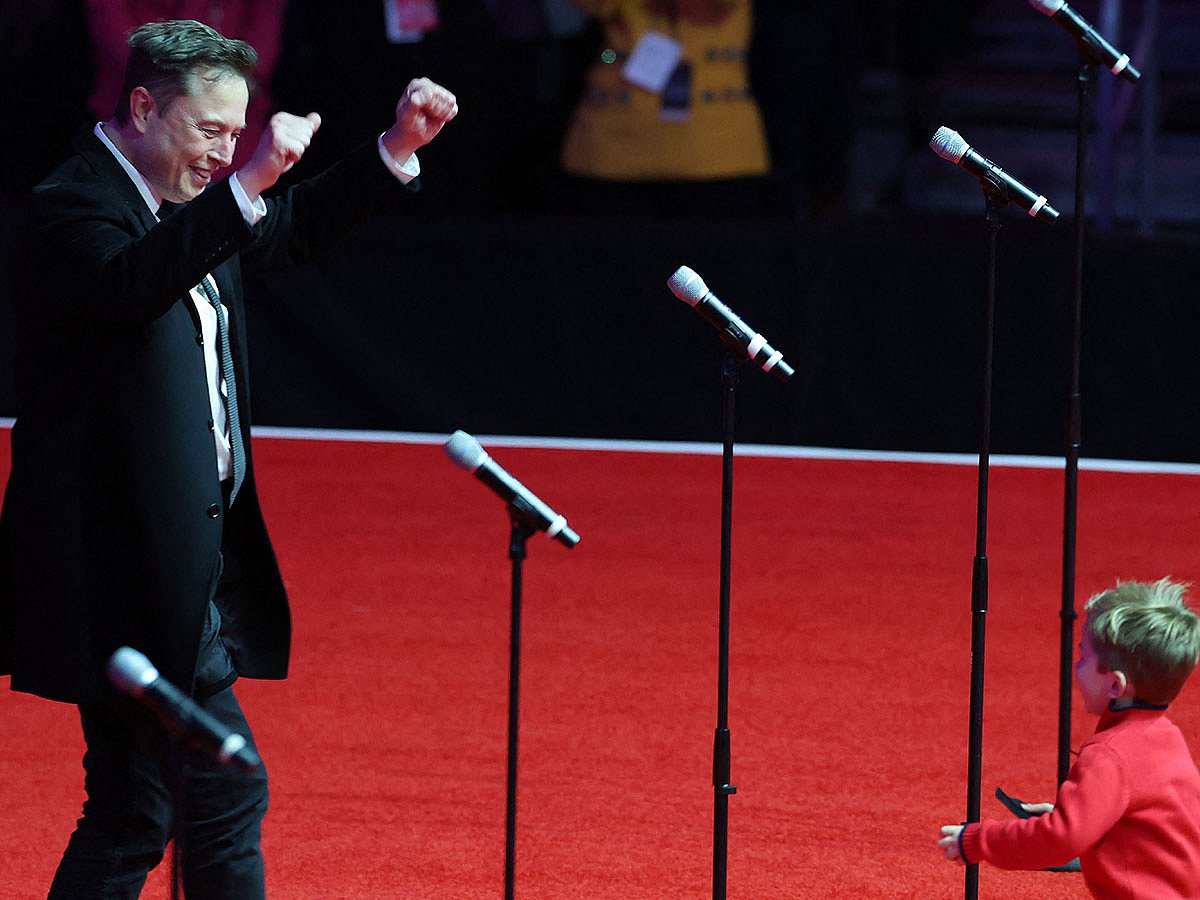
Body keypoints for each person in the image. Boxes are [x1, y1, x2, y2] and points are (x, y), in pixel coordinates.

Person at [0, 19, 456, 899]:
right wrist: (245, 185)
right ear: (143, 107)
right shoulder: (73, 205)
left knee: (133, 814)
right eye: (208, 130)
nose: (223, 153)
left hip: (182, 557)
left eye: (236, 134)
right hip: (121, 568)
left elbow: (287, 228)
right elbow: (132, 285)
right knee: (224, 787)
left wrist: (396, 148)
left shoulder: (189, 200)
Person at [937, 578, 1200, 898]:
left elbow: (1061, 839)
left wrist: (979, 840)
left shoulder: (1109, 754)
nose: (1076, 667)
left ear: (1115, 686)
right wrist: (1076, 810)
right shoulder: (1167, 737)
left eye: (1083, 658)